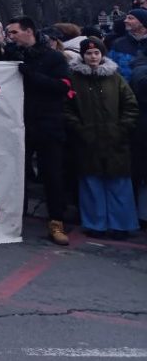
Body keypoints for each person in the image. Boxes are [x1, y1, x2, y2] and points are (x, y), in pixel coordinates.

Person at [0, 15, 73, 246]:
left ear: (29, 31)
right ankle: (17, 218)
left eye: (14, 32)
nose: (11, 36)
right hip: (20, 124)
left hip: (48, 125)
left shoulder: (53, 57)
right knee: (16, 174)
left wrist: (32, 76)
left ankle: (56, 222)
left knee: (52, 174)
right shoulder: (15, 56)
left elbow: (62, 87)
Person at [66, 37, 139, 239]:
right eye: (89, 53)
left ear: (102, 54)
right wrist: (80, 129)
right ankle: (95, 223)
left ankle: (121, 224)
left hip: (115, 139)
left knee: (119, 184)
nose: (93, 57)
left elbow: (130, 105)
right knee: (91, 183)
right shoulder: (74, 79)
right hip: (88, 140)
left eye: (96, 53)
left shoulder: (115, 78)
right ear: (83, 56)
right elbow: (67, 109)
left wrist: (122, 128)